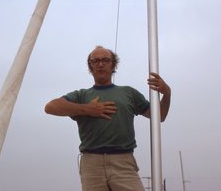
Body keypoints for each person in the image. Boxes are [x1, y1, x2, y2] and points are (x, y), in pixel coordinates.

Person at [44, 45, 171, 191]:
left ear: (113, 65)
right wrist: (87, 109)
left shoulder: (129, 93)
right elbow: (50, 107)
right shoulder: (81, 95)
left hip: (123, 162)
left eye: (105, 60)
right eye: (95, 61)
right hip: (91, 163)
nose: (100, 64)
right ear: (90, 66)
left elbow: (160, 116)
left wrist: (167, 93)